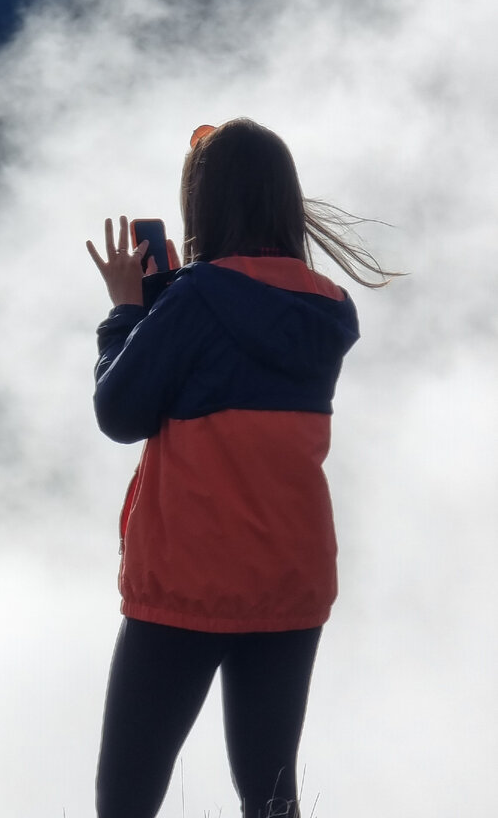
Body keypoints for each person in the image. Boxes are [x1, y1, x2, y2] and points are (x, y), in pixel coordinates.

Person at [86, 118, 394, 818]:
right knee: (270, 793)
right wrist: (166, 306)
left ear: (205, 204)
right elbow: (240, 339)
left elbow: (120, 412)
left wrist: (127, 312)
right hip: (290, 577)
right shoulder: (329, 308)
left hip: (188, 579)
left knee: (126, 798)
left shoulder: (195, 298)